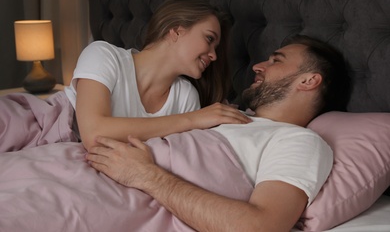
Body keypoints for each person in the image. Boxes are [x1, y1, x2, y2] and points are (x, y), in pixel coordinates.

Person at [86, 35, 351, 231]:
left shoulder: (300, 141)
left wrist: (148, 176)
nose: (258, 66)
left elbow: (260, 226)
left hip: (109, 195)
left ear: (308, 81)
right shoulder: (221, 115)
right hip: (89, 168)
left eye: (276, 60)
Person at [0, 0, 250, 153]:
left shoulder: (185, 98)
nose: (214, 55)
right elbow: (94, 133)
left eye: (216, 47)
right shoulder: (104, 55)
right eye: (209, 39)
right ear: (176, 31)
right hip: (28, 123)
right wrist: (194, 119)